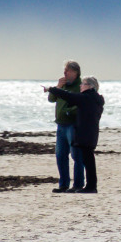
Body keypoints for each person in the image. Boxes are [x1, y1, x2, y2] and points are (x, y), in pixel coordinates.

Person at [45, 76, 105, 194]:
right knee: (88, 160)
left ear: (90, 86)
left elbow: (69, 96)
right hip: (91, 132)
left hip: (85, 133)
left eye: (83, 84)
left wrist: (51, 89)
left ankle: (91, 187)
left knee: (87, 160)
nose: (80, 86)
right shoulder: (95, 98)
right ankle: (91, 186)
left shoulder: (87, 97)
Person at [47, 61, 83, 193]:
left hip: (73, 125)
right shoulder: (63, 85)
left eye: (67, 71)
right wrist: (58, 87)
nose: (64, 73)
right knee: (60, 155)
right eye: (64, 70)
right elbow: (51, 99)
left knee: (76, 155)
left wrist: (69, 111)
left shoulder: (80, 86)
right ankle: (63, 184)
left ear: (75, 72)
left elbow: (82, 104)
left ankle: (78, 184)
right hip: (61, 125)